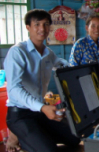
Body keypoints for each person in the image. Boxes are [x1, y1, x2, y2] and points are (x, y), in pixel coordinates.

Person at [4, 9, 80, 152]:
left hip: (39, 113)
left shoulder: (47, 53)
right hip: (20, 114)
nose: (42, 29)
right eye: (37, 24)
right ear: (28, 27)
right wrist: (43, 107)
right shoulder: (18, 52)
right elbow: (13, 89)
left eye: (46, 24)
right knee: (49, 150)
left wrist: (87, 69)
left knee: (75, 139)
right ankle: (22, 136)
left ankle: (33, 137)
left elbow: (61, 65)